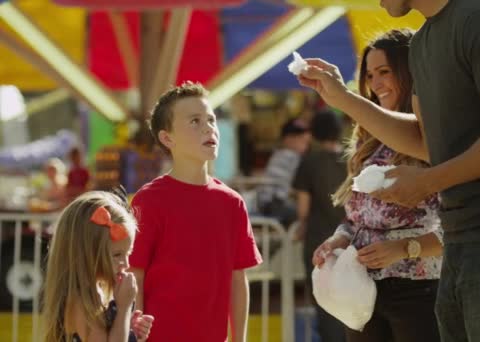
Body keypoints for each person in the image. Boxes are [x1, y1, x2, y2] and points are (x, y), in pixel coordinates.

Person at [297, 0, 480, 340]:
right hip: (460, 239)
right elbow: (426, 139)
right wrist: (343, 97)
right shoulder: (423, 42)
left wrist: (427, 181)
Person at [312, 29, 442, 342]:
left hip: (419, 290)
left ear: (410, 72)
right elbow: (356, 218)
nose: (376, 83)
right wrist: (337, 241)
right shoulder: (366, 141)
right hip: (362, 290)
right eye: (370, 75)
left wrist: (403, 249)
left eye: (385, 71)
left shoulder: (435, 135)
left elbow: (461, 224)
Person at [129, 82, 262, 342]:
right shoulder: (148, 200)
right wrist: (135, 332)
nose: (208, 127)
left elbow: (238, 279)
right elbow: (135, 273)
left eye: (211, 119)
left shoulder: (232, 202)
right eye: (194, 121)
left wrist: (240, 338)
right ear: (167, 138)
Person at [42, 191, 154, 342]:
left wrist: (129, 329)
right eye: (117, 255)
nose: (126, 264)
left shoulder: (94, 294)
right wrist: (124, 310)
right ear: (86, 253)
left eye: (128, 253)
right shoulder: (82, 302)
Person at [292, 110, 347, 342]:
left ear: (314, 132)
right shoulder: (351, 159)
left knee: (324, 300)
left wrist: (300, 226)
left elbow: (303, 206)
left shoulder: (309, 161)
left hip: (318, 240)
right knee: (350, 296)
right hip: (350, 239)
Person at [257, 118, 311, 227]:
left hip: (267, 202)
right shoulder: (291, 157)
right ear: (288, 139)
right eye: (303, 141)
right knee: (309, 214)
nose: (306, 146)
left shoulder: (278, 155)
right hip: (275, 203)